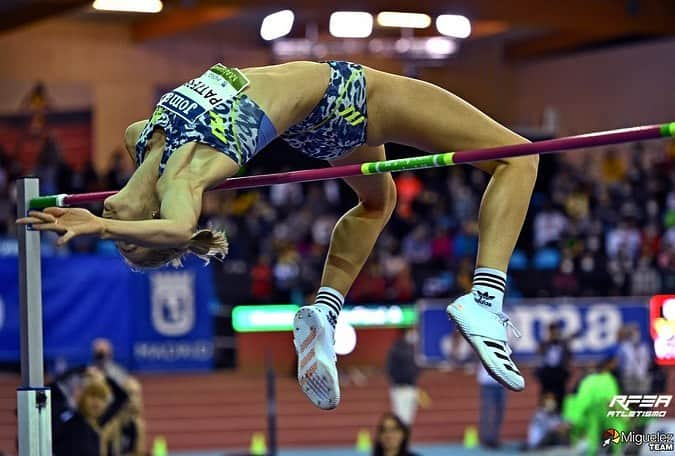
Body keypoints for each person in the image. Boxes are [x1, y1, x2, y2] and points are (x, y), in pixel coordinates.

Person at [18, 60, 538, 409]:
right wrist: (105, 225)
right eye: (126, 231)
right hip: (343, 95)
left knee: (378, 201)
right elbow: (178, 224)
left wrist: (113, 222)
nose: (109, 205)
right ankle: (485, 298)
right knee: (519, 157)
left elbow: (150, 207)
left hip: (308, 126)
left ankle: (323, 310)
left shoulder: (141, 138)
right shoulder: (182, 177)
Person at [386, 329, 422, 426]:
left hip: (411, 387)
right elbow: (390, 369)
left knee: (409, 418)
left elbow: (419, 367)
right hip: (399, 388)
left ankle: (405, 439)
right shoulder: (397, 349)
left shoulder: (416, 350)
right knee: (400, 418)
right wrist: (399, 379)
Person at [477, 364, 506, 449]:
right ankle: (486, 438)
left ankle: (495, 437)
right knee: (488, 412)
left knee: (500, 412)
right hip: (487, 382)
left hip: (502, 381)